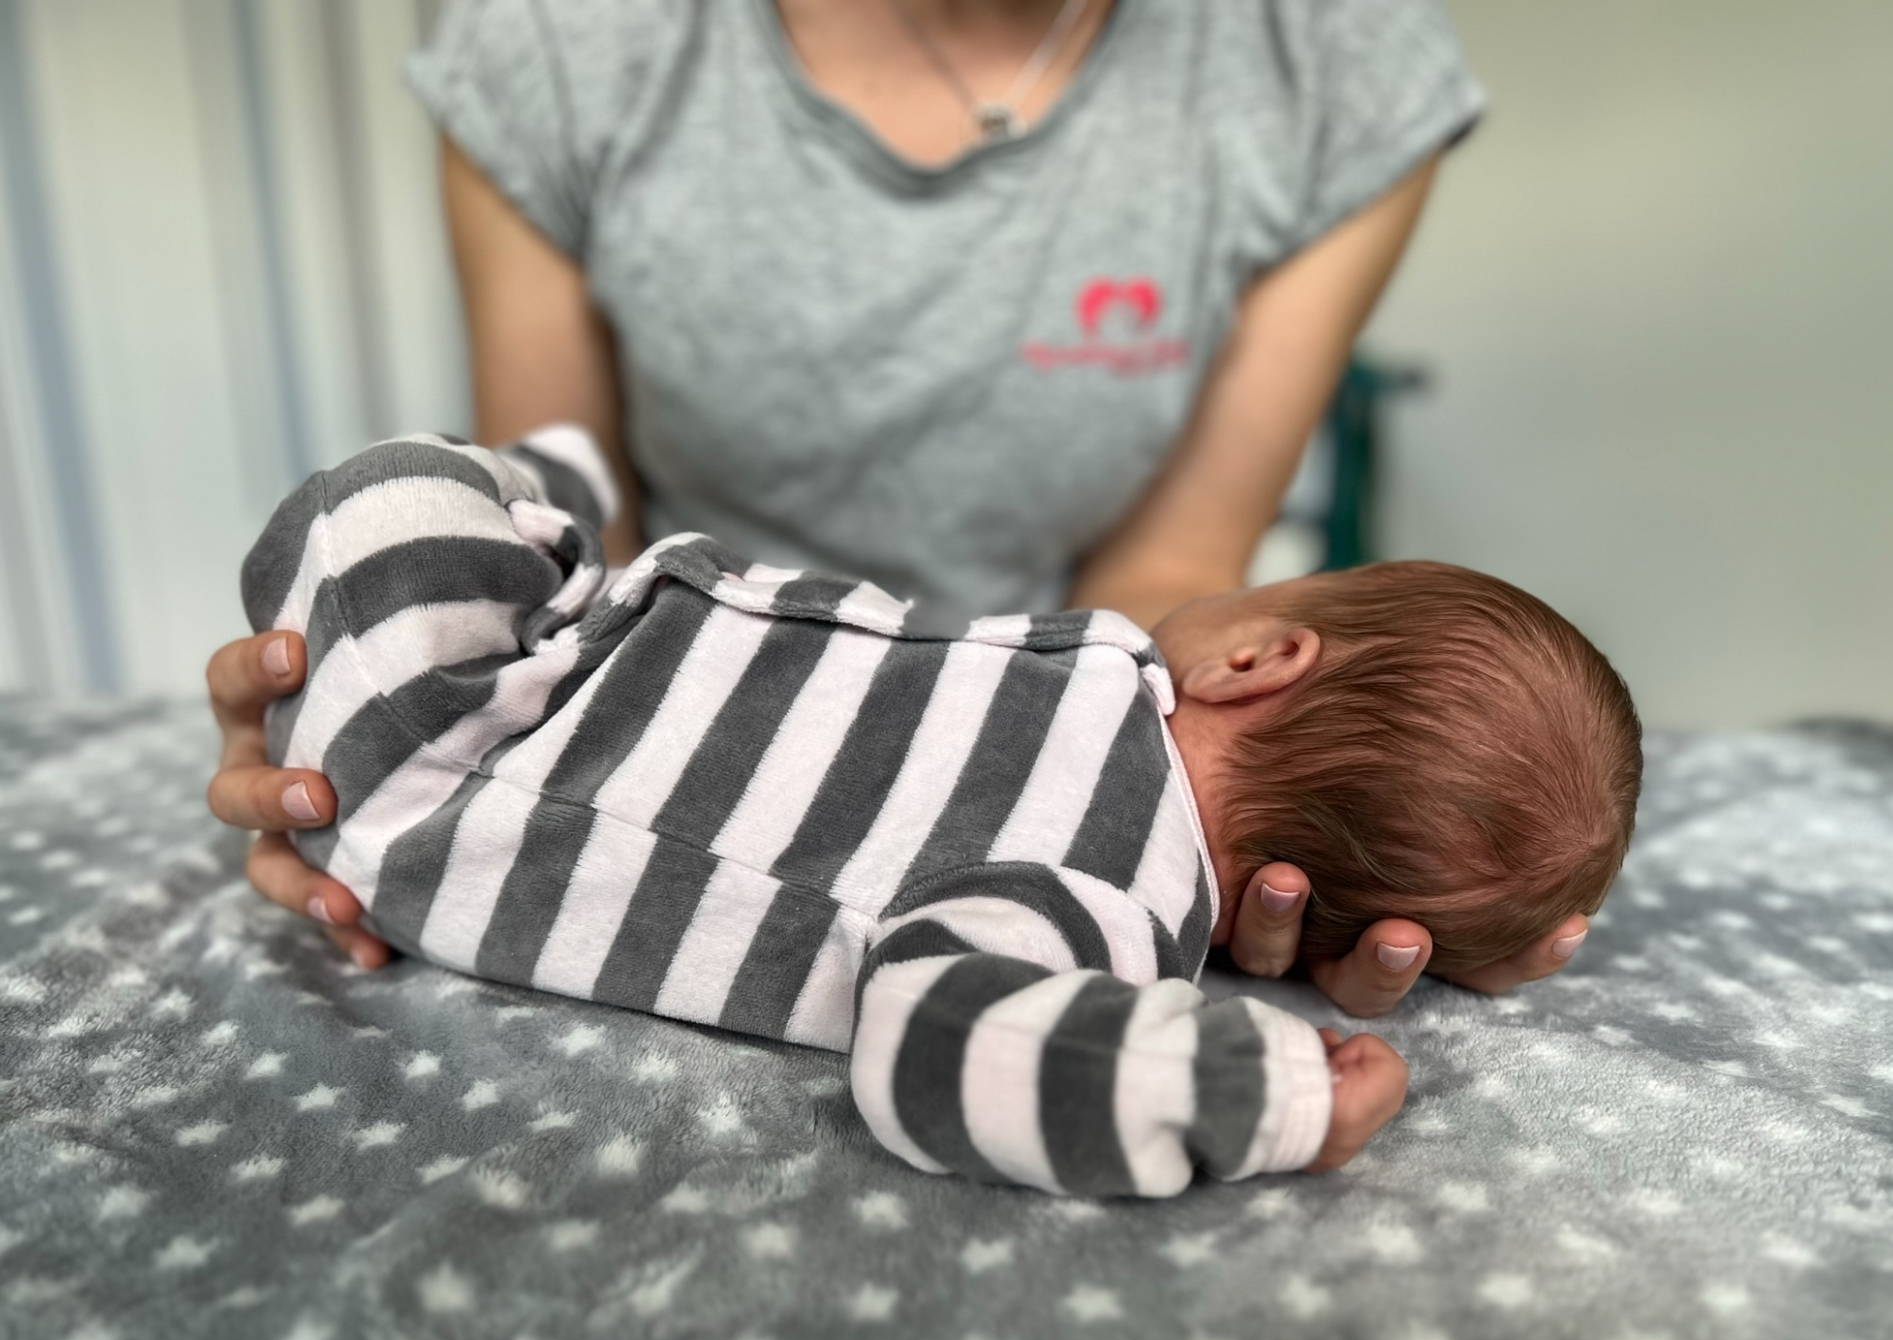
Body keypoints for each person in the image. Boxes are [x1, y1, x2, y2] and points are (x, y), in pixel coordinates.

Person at [206, 0, 1594, 1013]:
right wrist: (361, 694)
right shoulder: (572, 42)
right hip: (649, 668)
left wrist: (1285, 860)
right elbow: (572, 507)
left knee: (407, 497)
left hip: (636, 742)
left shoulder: (1329, 65)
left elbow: (1173, 569)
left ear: (1260, 659)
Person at [237, 426, 1639, 1196]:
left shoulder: (1097, 898)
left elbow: (949, 1041)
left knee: (388, 494)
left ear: (1260, 659)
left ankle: (554, 486)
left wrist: (1259, 1090)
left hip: (451, 776)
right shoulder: (1110, 760)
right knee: (454, 515)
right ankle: (558, 508)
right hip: (572, 662)